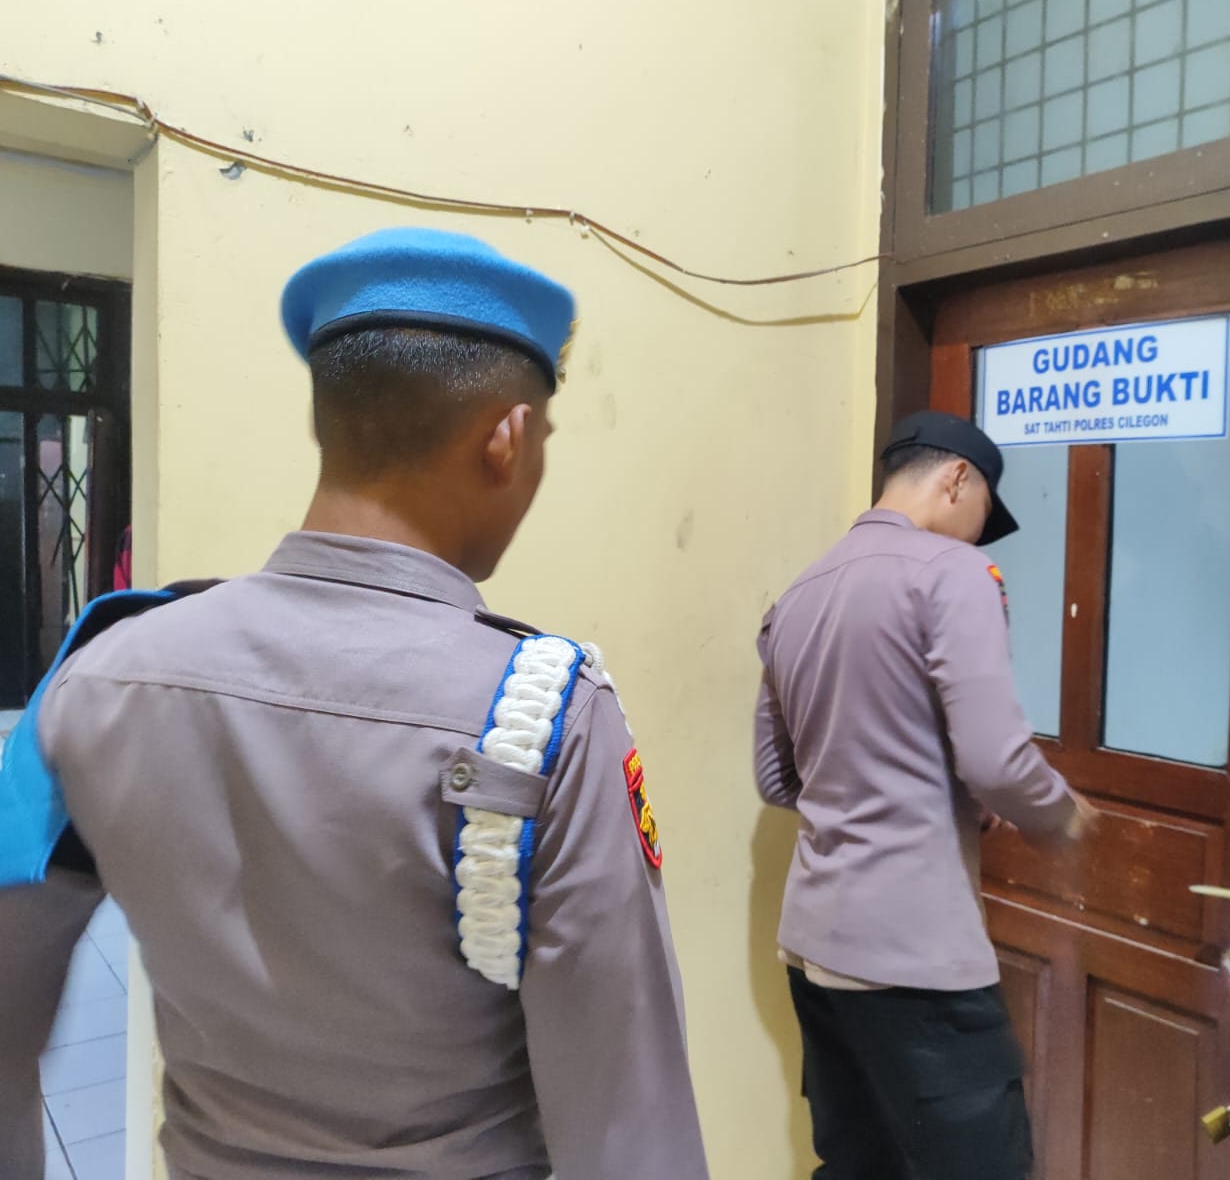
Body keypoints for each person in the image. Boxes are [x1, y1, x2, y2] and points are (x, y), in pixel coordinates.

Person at [0, 228, 709, 1180]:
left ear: (325, 425)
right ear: (506, 438)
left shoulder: (98, 676)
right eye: (542, 439)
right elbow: (627, 1131)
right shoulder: (550, 718)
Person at [753, 410, 1096, 1180]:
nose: (979, 537)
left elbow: (776, 779)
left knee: (857, 1165)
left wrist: (892, 782)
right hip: (913, 953)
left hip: (812, 944)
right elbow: (997, 761)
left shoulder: (797, 596)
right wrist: (1063, 815)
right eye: (984, 516)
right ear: (957, 478)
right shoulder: (953, 572)